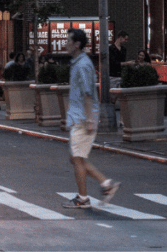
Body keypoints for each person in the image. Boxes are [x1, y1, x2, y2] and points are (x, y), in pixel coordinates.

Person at [62, 28, 120, 209]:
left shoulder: (83, 65)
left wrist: (89, 120)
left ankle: (83, 198)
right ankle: (106, 184)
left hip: (83, 119)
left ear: (77, 44)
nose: (65, 44)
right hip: (78, 117)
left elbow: (88, 93)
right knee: (75, 158)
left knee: (77, 158)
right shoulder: (78, 63)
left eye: (68, 41)